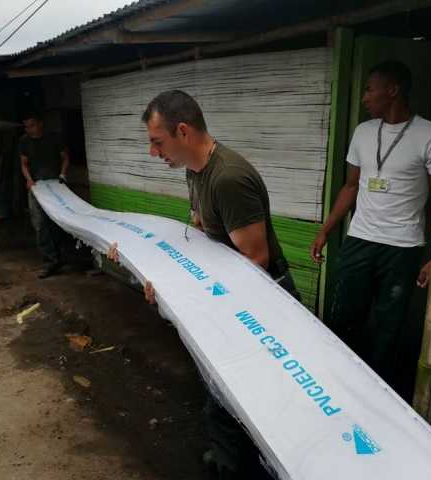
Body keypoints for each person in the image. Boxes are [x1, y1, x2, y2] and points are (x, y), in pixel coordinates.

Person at [109, 90, 298, 480]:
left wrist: (185, 295)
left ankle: (239, 468)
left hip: (260, 300)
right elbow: (201, 236)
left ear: (182, 131)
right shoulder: (195, 170)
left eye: (157, 142)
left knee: (244, 405)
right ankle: (230, 460)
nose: (152, 152)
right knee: (225, 399)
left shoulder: (228, 178)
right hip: (228, 296)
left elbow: (254, 263)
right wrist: (158, 273)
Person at [310, 60, 431, 384]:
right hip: (360, 239)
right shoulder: (363, 132)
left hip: (402, 246)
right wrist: (325, 230)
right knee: (343, 316)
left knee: (388, 326)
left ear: (393, 90)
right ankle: (336, 381)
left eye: (370, 90)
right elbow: (351, 186)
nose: (365, 98)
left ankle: (378, 390)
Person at [19, 112, 70, 279]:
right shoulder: (24, 141)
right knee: (40, 225)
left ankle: (61, 256)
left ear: (40, 123)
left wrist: (62, 174)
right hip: (37, 187)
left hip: (56, 185)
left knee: (58, 220)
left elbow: (65, 158)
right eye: (26, 126)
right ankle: (50, 261)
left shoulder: (54, 138)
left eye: (32, 125)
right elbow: (24, 164)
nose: (29, 129)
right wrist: (29, 181)